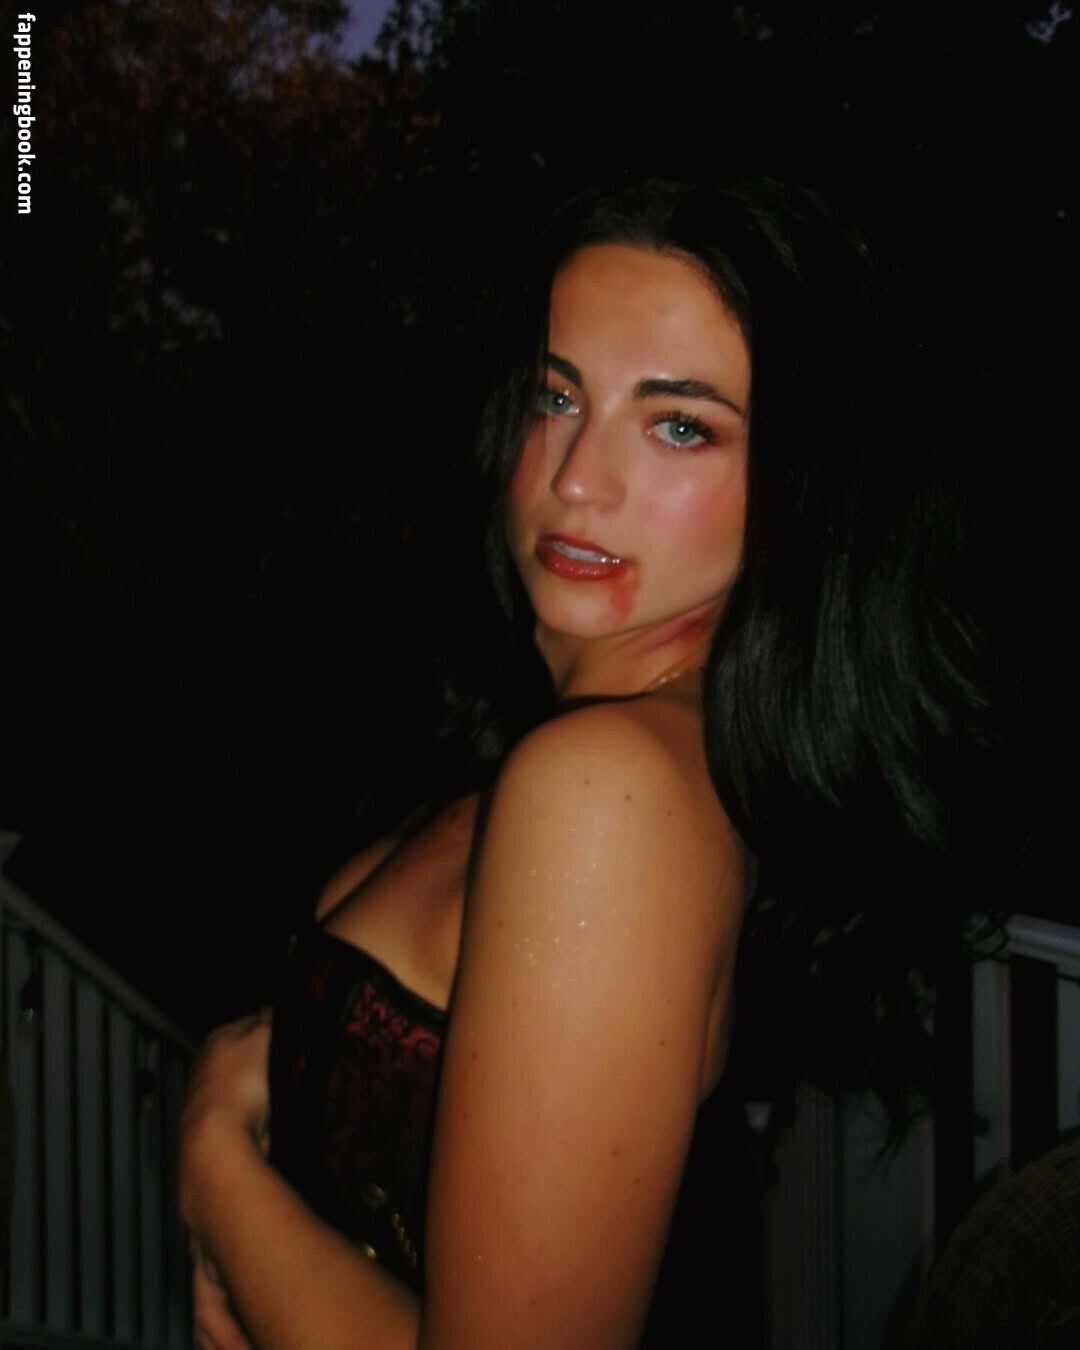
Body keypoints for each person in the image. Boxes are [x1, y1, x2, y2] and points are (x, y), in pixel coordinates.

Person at [178, 177, 1005, 1349]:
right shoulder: (592, 744)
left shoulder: (609, 790)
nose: (576, 475)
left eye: (680, 425)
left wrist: (214, 1167)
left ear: (797, 489)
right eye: (556, 394)